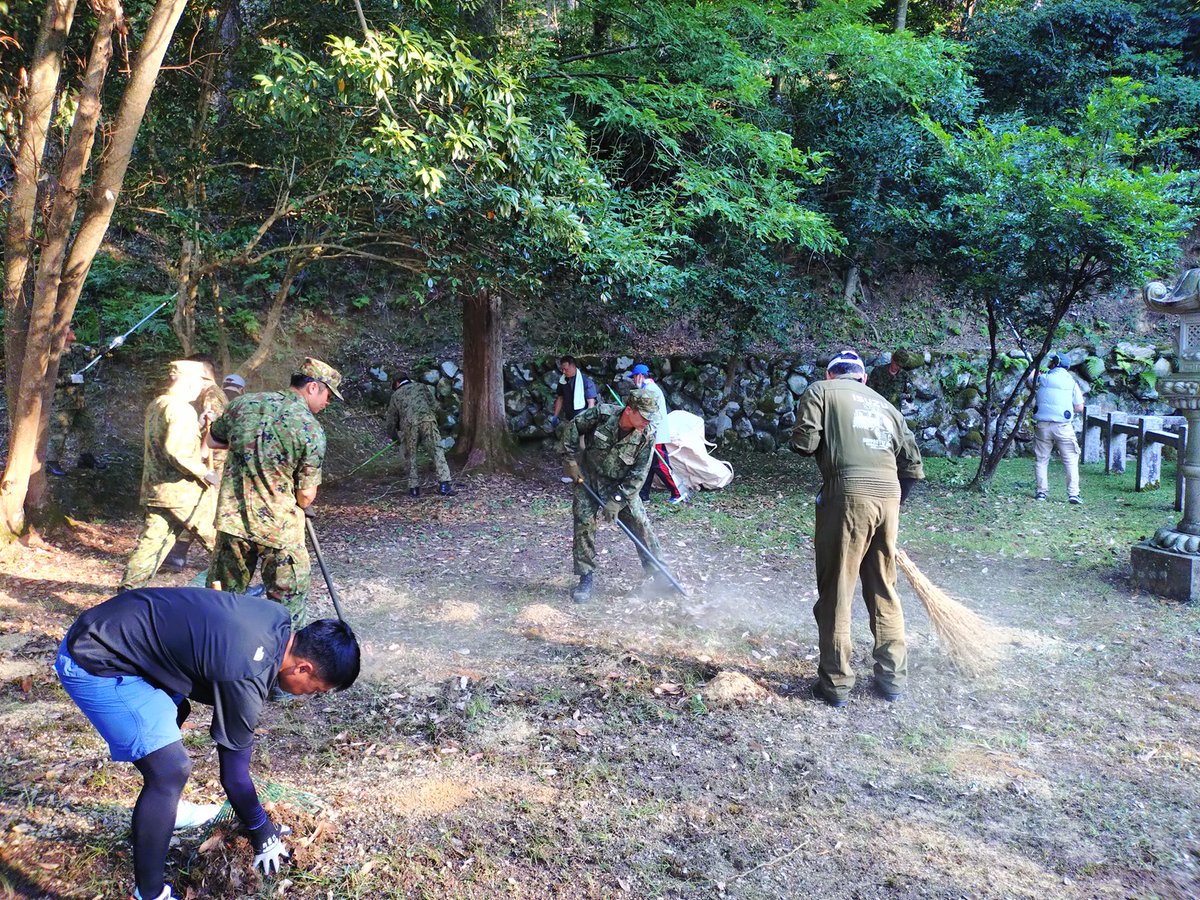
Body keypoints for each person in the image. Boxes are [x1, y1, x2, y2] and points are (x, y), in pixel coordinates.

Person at [55, 586, 359, 900]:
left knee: (176, 711)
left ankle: (165, 812)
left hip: (117, 630)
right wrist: (261, 829)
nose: (307, 696)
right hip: (97, 658)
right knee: (169, 770)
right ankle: (149, 894)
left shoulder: (278, 619)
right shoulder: (248, 670)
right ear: (303, 668)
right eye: (314, 689)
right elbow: (234, 777)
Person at [791, 349, 924, 708]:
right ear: (863, 378)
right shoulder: (886, 405)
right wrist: (890, 508)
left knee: (838, 588)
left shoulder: (820, 391)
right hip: (889, 496)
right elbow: (912, 465)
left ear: (832, 375)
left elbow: (805, 443)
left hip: (847, 493)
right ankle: (892, 679)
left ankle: (835, 684)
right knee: (884, 588)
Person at [205, 358, 341, 624]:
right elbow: (305, 495)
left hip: (234, 524)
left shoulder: (244, 404)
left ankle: (217, 655)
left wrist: (248, 447)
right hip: (279, 532)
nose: (328, 402)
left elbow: (212, 440)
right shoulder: (310, 428)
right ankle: (285, 659)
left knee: (221, 603)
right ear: (313, 387)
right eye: (328, 395)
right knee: (287, 610)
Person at [560, 389, 670, 603]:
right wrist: (570, 461)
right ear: (629, 410)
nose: (648, 421)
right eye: (645, 416)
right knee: (584, 524)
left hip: (619, 485)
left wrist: (617, 500)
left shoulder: (646, 437)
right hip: (588, 478)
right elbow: (574, 426)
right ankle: (585, 577)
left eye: (651, 417)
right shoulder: (602, 414)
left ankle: (660, 574)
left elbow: (638, 476)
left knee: (640, 523)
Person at [119, 361, 219, 590]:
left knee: (152, 543)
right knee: (218, 541)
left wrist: (199, 424)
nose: (200, 389)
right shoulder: (181, 409)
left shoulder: (158, 404)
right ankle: (236, 591)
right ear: (189, 382)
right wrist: (206, 473)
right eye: (198, 384)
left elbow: (168, 443)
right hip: (181, 493)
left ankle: (129, 591)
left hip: (157, 489)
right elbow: (178, 453)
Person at [384, 375, 454, 497]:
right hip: (428, 421)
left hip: (409, 425)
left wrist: (393, 435)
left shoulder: (396, 395)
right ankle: (444, 485)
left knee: (410, 456)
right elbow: (434, 405)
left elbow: (391, 419)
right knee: (437, 451)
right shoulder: (422, 387)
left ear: (396, 384)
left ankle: (414, 489)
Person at [1032, 352, 1085, 504]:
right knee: (1070, 460)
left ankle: (1041, 493)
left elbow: (1030, 379)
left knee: (1041, 460)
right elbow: (1079, 407)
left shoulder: (1043, 378)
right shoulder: (1071, 382)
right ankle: (1073, 494)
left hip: (1042, 426)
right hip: (1063, 427)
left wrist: (1034, 367)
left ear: (1053, 364)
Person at [47, 327, 100, 476]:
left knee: (88, 428)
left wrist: (113, 345)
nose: (74, 332)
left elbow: (96, 354)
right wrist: (69, 379)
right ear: (63, 334)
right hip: (63, 403)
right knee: (60, 433)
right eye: (70, 330)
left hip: (80, 400)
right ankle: (51, 463)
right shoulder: (53, 355)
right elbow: (48, 380)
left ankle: (85, 458)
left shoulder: (77, 349)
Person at [630, 363, 683, 504]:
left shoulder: (650, 390)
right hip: (651, 434)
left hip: (655, 435)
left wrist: (649, 431)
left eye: (634, 377)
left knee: (660, 465)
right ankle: (644, 495)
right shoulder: (649, 389)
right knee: (648, 465)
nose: (633, 381)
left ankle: (678, 493)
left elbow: (652, 415)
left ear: (640, 376)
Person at [553, 356, 598, 483]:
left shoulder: (585, 382)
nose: (564, 372)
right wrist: (555, 416)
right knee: (568, 447)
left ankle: (585, 474)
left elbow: (591, 403)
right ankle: (571, 474)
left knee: (582, 447)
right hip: (569, 419)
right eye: (562, 369)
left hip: (582, 420)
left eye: (566, 369)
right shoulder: (563, 381)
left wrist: (588, 421)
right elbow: (560, 398)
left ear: (573, 366)